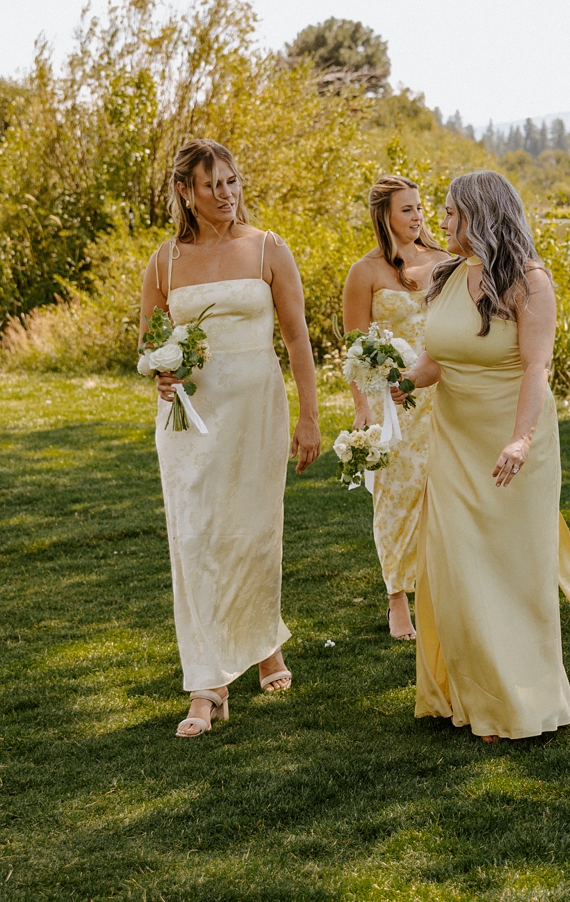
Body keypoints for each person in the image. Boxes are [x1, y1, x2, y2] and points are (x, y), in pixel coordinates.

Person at [139, 139, 321, 739]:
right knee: (194, 538)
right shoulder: (164, 262)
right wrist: (159, 371)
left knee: (252, 533)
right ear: (185, 192)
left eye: (232, 181)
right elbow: (150, 341)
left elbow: (296, 338)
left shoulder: (269, 248)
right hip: (188, 420)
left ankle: (263, 644)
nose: (225, 194)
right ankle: (207, 685)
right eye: (211, 184)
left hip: (256, 413)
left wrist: (309, 416)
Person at [393, 170, 570, 740]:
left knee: (512, 570)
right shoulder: (447, 275)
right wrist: (402, 380)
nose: (441, 221)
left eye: (451, 212)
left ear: (480, 215)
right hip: (454, 443)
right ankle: (470, 694)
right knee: (459, 568)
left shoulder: (530, 281)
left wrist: (521, 439)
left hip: (513, 444)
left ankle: (519, 700)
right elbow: (436, 359)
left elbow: (536, 367)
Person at [341, 175, 446, 641]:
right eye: (407, 209)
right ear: (383, 215)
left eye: (420, 207)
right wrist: (363, 407)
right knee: (396, 498)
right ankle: (397, 598)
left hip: (446, 394)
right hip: (395, 403)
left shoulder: (445, 262)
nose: (418, 216)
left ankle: (445, 586)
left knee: (447, 491)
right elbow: (355, 349)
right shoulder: (364, 272)